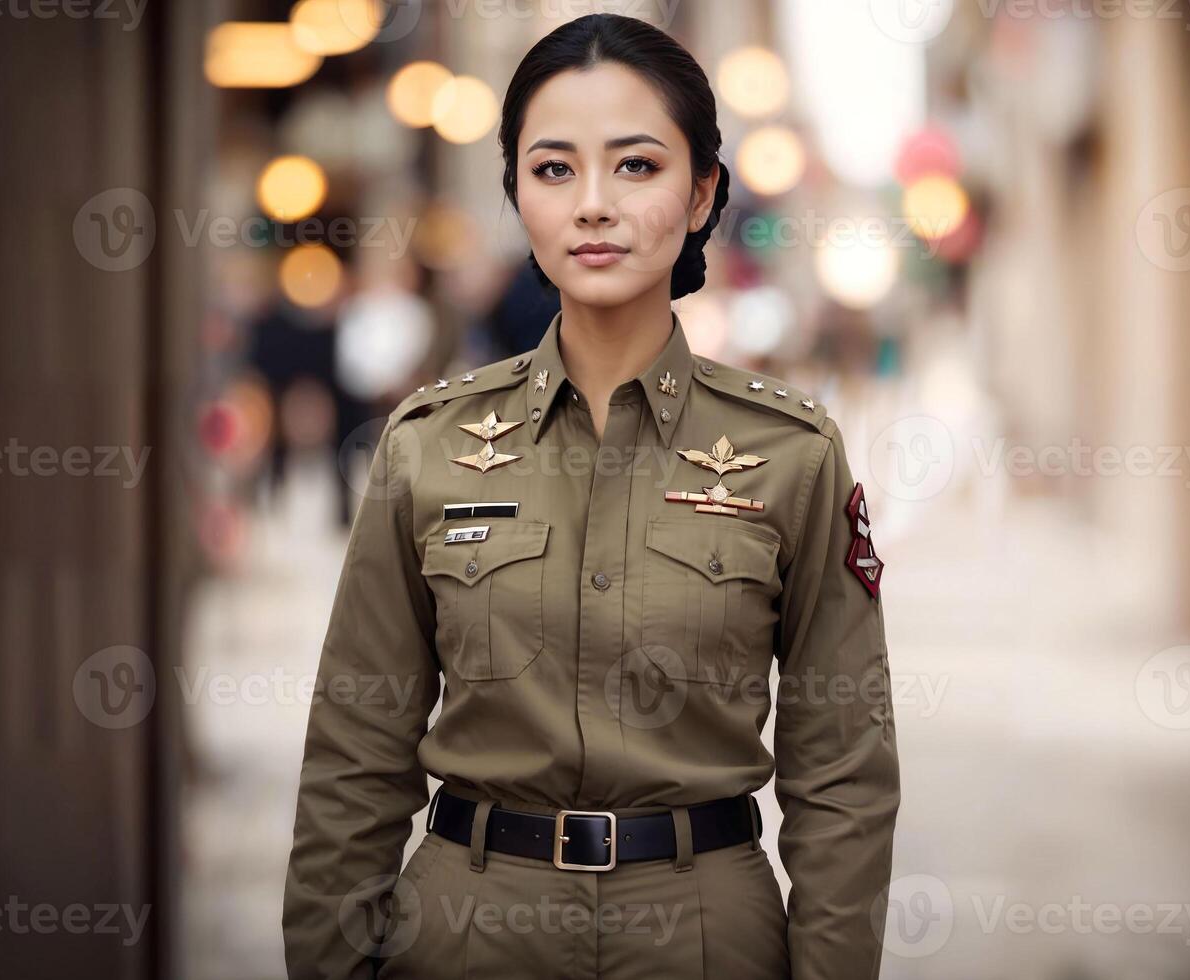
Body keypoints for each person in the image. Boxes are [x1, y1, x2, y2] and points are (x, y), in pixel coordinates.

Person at [282, 14, 900, 980]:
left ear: (703, 195)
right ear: (517, 196)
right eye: (554, 169)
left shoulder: (795, 454)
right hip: (465, 932)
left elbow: (844, 775)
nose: (594, 205)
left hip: (706, 938)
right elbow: (355, 754)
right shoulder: (426, 448)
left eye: (638, 167)